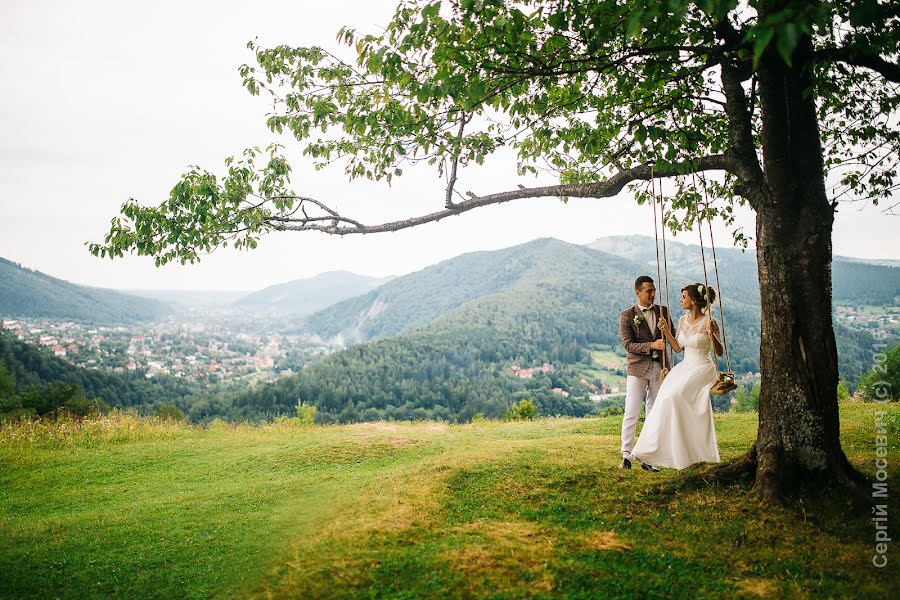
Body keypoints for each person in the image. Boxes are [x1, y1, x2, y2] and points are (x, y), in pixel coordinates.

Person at [631, 283, 723, 470]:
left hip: (703, 367)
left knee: (675, 397)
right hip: (686, 366)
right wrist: (665, 332)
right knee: (665, 397)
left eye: (684, 297)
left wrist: (713, 335)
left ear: (694, 300)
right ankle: (652, 448)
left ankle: (684, 451)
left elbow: (719, 352)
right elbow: (679, 348)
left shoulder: (709, 322)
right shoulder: (682, 321)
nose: (681, 300)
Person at [618, 275, 670, 470]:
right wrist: (651, 345)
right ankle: (626, 455)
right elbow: (628, 345)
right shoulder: (627, 315)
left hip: (660, 368)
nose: (653, 294)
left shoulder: (663, 311)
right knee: (631, 410)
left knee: (654, 412)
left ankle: (647, 457)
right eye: (649, 291)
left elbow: (671, 337)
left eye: (654, 290)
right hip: (637, 369)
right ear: (637, 292)